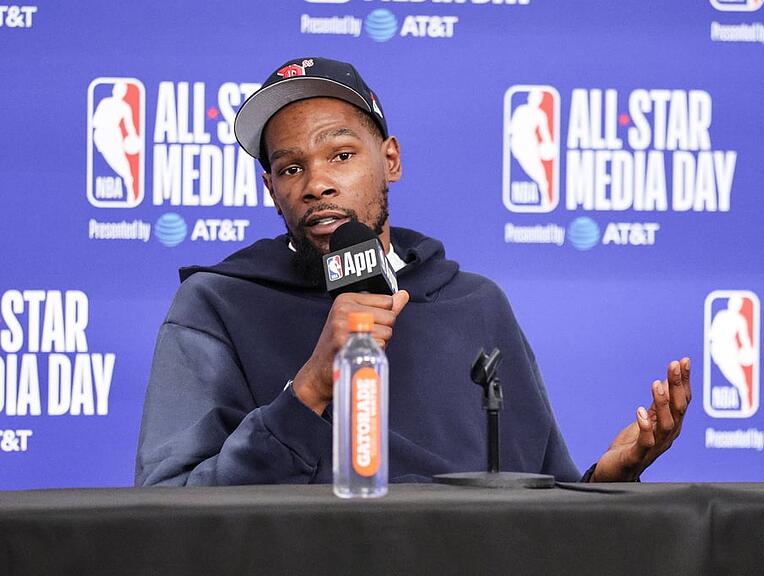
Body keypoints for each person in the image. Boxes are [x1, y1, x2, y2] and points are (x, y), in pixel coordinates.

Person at [135, 57, 691, 487]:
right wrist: (308, 390)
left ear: (391, 161)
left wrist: (608, 478)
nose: (316, 184)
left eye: (341, 155)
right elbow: (168, 508)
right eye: (291, 168)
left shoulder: (475, 305)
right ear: (272, 190)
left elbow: (540, 507)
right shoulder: (218, 304)